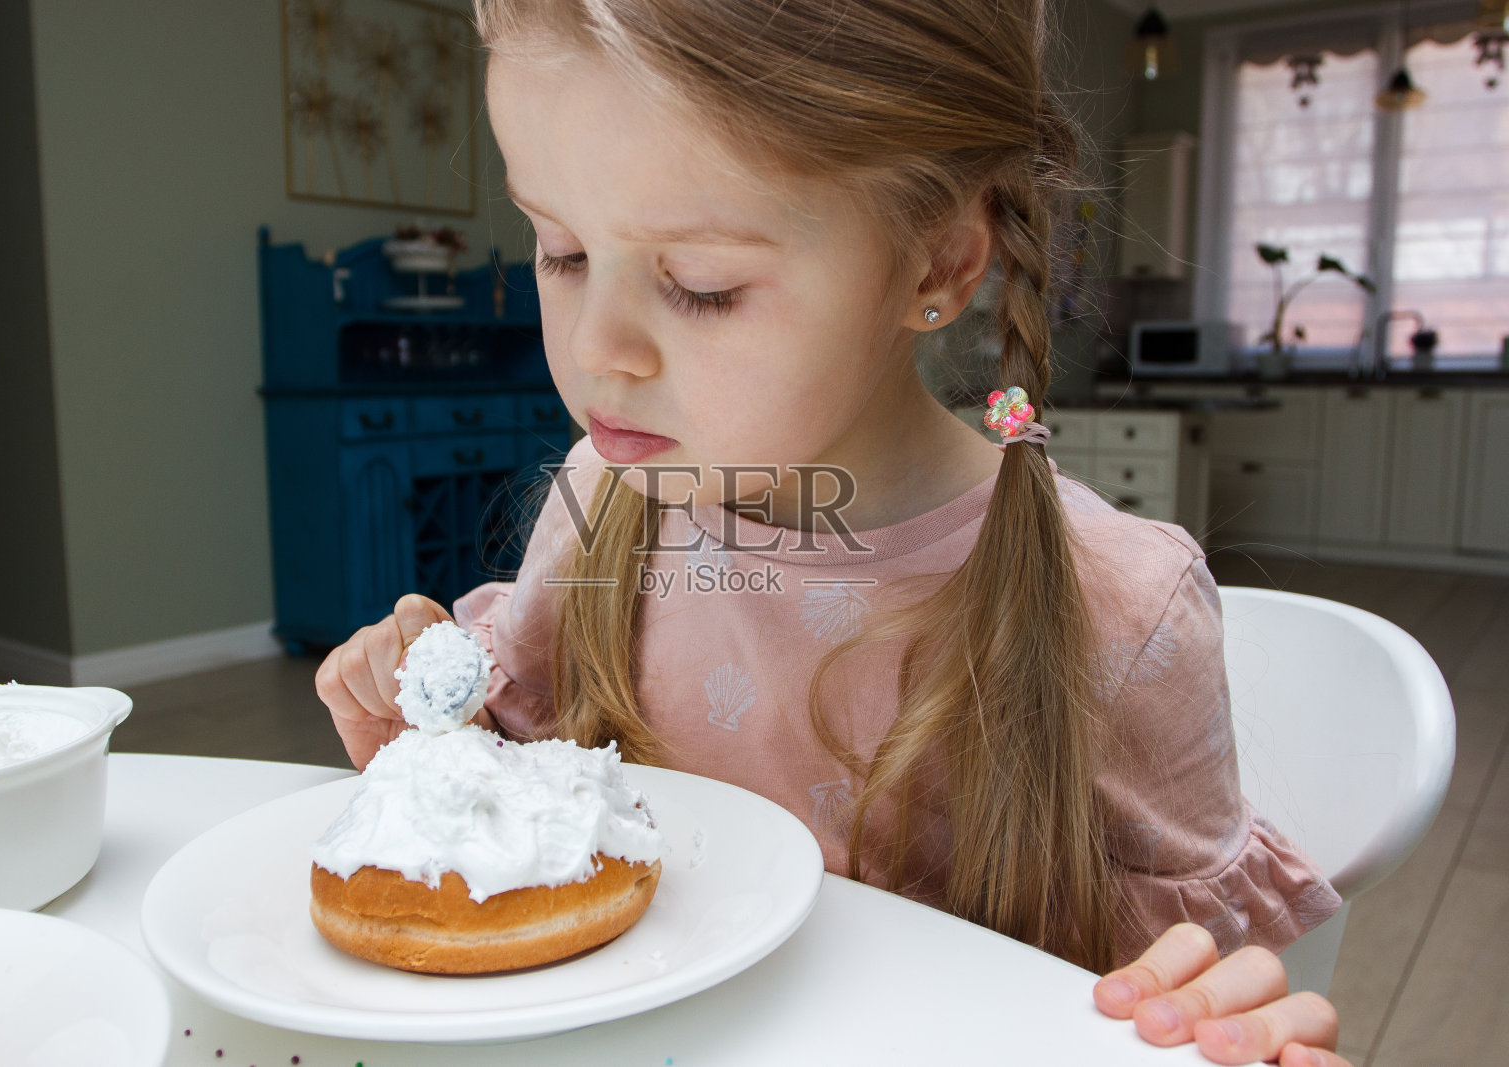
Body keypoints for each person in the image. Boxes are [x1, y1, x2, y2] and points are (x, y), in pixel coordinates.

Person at [316, 1, 1348, 1062]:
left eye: (701, 285)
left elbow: (1189, 1001)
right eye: (562, 251)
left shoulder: (1117, 609)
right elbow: (529, 819)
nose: (594, 347)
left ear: (936, 265)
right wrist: (437, 758)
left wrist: (1212, 1027)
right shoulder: (602, 498)